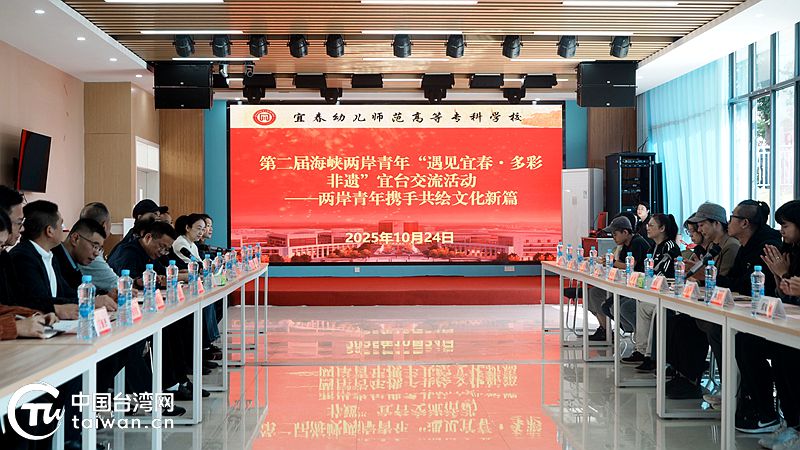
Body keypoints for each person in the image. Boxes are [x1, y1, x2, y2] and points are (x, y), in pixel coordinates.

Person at [107, 218, 210, 399]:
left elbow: (162, 274)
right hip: (122, 313)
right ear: (148, 238)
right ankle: (167, 386)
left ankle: (178, 380)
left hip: (143, 308)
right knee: (164, 330)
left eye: (166, 249)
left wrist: (173, 275)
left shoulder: (150, 254)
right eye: (162, 247)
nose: (163, 252)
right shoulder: (128, 253)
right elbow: (132, 283)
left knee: (176, 323)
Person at [734, 200, 800, 441]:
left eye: (786, 225)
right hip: (789, 323)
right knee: (746, 341)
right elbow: (786, 294)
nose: (781, 231)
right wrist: (778, 275)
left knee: (786, 355)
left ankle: (794, 423)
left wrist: (783, 274)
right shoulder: (789, 251)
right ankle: (772, 415)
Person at [665, 202, 740, 400]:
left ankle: (701, 379)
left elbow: (723, 280)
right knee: (678, 321)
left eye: (702, 225)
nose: (700, 230)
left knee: (702, 326)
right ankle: (683, 374)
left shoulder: (731, 245)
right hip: (709, 302)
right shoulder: (714, 247)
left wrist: (700, 276)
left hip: (724, 306)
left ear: (716, 223)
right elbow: (701, 274)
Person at [9, 200, 117, 316]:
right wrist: (90, 302)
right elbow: (37, 301)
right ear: (50, 231)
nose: (65, 230)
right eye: (61, 225)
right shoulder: (23, 258)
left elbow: (65, 293)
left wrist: (97, 298)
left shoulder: (50, 256)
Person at [620, 213, 681, 372]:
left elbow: (662, 274)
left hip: (667, 294)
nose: (648, 228)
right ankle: (641, 350)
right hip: (653, 292)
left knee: (650, 309)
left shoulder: (669, 247)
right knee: (641, 306)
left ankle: (650, 355)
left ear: (662, 228)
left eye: (652, 225)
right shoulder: (653, 247)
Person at [587, 216, 651, 341]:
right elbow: (620, 264)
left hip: (638, 287)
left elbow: (629, 266)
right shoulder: (624, 245)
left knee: (613, 305)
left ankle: (640, 335)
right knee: (593, 293)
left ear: (625, 232)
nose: (613, 238)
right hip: (625, 284)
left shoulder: (637, 242)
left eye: (615, 234)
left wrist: (611, 261)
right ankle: (605, 330)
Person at [173, 214, 221, 368]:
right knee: (204, 304)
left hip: (192, 285)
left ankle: (205, 346)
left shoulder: (192, 244)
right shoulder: (181, 243)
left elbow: (200, 265)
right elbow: (196, 267)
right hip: (183, 287)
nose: (202, 232)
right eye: (199, 228)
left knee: (214, 300)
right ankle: (202, 349)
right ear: (187, 228)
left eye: (203, 229)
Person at [77, 202, 119, 292]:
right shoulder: (88, 255)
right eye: (94, 245)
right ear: (104, 226)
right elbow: (118, 285)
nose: (96, 253)